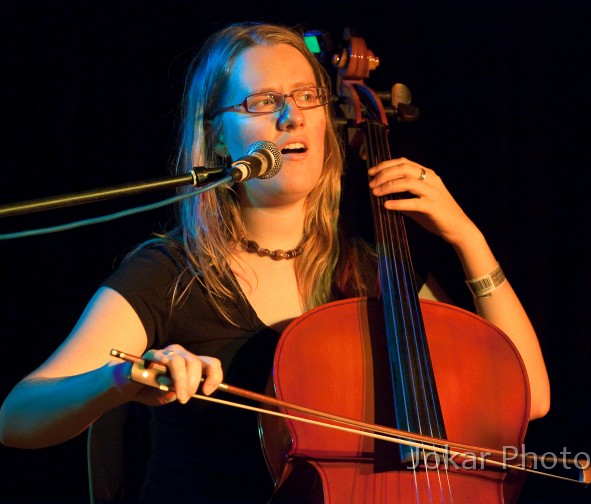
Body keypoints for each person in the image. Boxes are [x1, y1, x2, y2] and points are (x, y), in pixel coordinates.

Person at [0, 21, 550, 503]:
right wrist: (118, 380)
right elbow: (18, 418)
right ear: (216, 137)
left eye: (307, 95)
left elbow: (527, 398)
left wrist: (468, 238)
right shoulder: (171, 274)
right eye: (261, 102)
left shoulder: (374, 274)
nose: (291, 116)